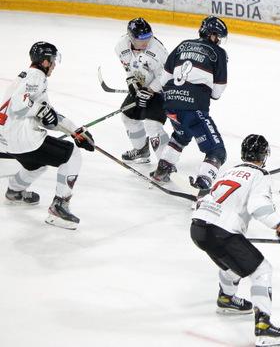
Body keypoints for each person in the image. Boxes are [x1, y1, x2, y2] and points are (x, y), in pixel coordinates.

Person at [191, 134, 280, 347]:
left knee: (231, 263)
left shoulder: (229, 171)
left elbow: (204, 198)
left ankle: (227, 298)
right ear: (264, 155)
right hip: (221, 232)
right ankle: (264, 327)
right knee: (262, 270)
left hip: (198, 228)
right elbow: (259, 207)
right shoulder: (260, 175)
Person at [0, 42, 94, 229]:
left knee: (36, 164)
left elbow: (48, 117)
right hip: (23, 139)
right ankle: (58, 208)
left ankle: (14, 191)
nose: (54, 65)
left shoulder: (26, 76)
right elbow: (19, 105)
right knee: (72, 155)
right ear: (44, 62)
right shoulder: (37, 76)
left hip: (6, 140)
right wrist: (40, 110)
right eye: (52, 60)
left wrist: (75, 131)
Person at [151, 16, 228, 191]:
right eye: (217, 36)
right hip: (193, 107)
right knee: (217, 151)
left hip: (170, 103)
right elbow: (217, 92)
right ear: (210, 34)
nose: (218, 40)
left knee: (181, 135)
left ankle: (162, 170)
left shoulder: (182, 45)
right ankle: (203, 186)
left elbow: (164, 80)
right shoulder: (219, 53)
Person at [115, 18, 170, 164]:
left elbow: (166, 76)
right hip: (142, 85)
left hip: (162, 89)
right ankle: (141, 149)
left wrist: (151, 90)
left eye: (148, 37)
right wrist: (131, 81)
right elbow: (128, 67)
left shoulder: (158, 50)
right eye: (142, 39)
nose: (146, 41)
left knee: (153, 125)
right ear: (131, 38)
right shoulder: (121, 46)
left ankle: (166, 163)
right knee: (128, 117)